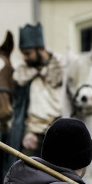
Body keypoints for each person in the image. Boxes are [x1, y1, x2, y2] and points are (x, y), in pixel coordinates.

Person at [15, 23, 66, 156]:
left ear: (41, 48)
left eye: (28, 53)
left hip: (59, 130)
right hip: (32, 134)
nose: (25, 58)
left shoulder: (61, 66)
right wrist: (27, 132)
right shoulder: (23, 70)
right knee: (25, 172)